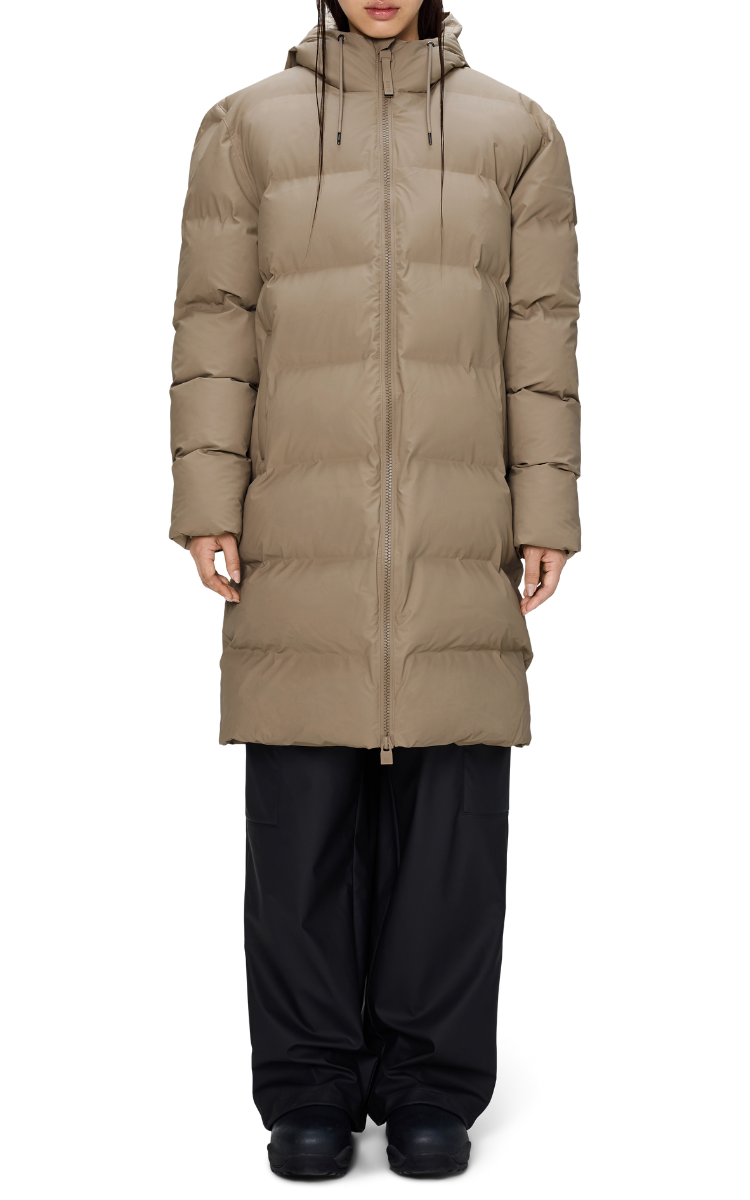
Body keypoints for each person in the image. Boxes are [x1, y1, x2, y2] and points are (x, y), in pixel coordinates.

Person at [167, 0, 581, 1177]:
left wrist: (548, 510)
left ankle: (432, 1089)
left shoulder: (517, 128)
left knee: (454, 844)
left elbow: (542, 333)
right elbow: (213, 321)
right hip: (298, 530)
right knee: (298, 838)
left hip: (462, 535)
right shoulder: (245, 124)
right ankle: (304, 1085)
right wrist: (207, 499)